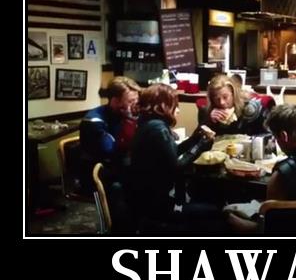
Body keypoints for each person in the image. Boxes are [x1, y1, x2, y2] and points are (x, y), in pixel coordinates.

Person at [125, 84, 226, 234]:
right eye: (175, 105)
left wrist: (195, 138)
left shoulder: (149, 123)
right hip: (157, 207)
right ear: (163, 106)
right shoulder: (158, 129)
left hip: (144, 200)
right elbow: (176, 167)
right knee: (217, 211)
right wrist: (201, 146)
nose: (177, 110)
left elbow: (172, 153)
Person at [79, 76, 142, 193]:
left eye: (136, 101)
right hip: (97, 174)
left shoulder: (123, 115)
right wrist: (130, 122)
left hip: (117, 167)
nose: (135, 105)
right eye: (130, 101)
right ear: (115, 101)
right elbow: (112, 152)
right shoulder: (94, 121)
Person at [198, 73, 273, 136]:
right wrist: (208, 122)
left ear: (233, 94)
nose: (221, 102)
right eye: (217, 99)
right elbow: (196, 142)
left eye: (225, 97)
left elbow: (269, 136)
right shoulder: (206, 112)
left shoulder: (253, 108)